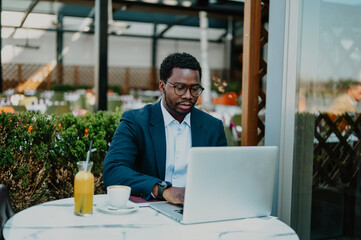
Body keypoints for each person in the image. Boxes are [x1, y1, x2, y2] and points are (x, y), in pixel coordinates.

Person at [103, 52, 227, 204]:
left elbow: (223, 176)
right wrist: (162, 190)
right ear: (162, 86)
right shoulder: (135, 122)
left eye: (194, 89)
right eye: (180, 88)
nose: (188, 95)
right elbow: (113, 171)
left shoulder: (213, 127)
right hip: (149, 210)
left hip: (198, 207)